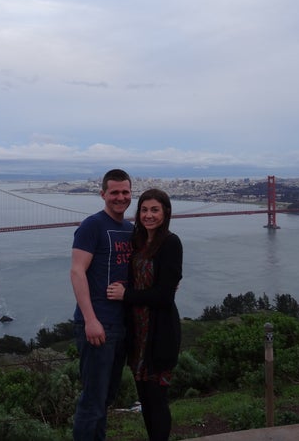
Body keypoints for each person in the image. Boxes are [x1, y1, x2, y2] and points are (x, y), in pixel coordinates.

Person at [107, 188, 183, 441]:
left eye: (155, 210)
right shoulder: (137, 241)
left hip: (159, 333)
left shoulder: (171, 242)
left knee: (157, 399)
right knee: (145, 400)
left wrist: (126, 295)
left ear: (166, 212)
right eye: (144, 210)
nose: (148, 215)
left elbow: (164, 296)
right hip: (137, 334)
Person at [70, 168, 134, 441]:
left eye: (125, 192)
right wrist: (90, 320)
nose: (120, 197)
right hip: (99, 324)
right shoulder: (92, 226)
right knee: (93, 402)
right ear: (103, 194)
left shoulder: (130, 229)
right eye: (114, 192)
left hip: (121, 326)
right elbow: (76, 271)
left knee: (106, 397)